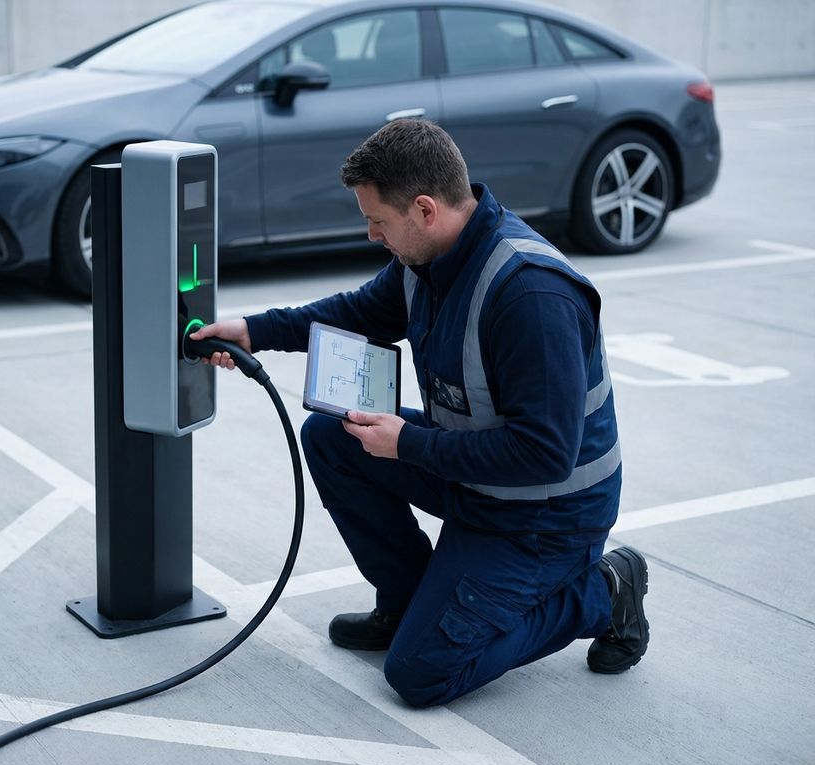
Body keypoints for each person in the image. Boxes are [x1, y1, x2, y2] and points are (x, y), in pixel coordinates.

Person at [191, 119, 649, 706]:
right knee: (333, 436)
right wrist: (256, 331)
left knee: (423, 674)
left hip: (545, 518)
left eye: (378, 220)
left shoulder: (533, 296)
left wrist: (408, 444)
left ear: (425, 210)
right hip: (478, 478)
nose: (371, 235)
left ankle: (604, 590)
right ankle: (408, 604)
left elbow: (545, 454)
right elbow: (359, 310)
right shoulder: (430, 259)